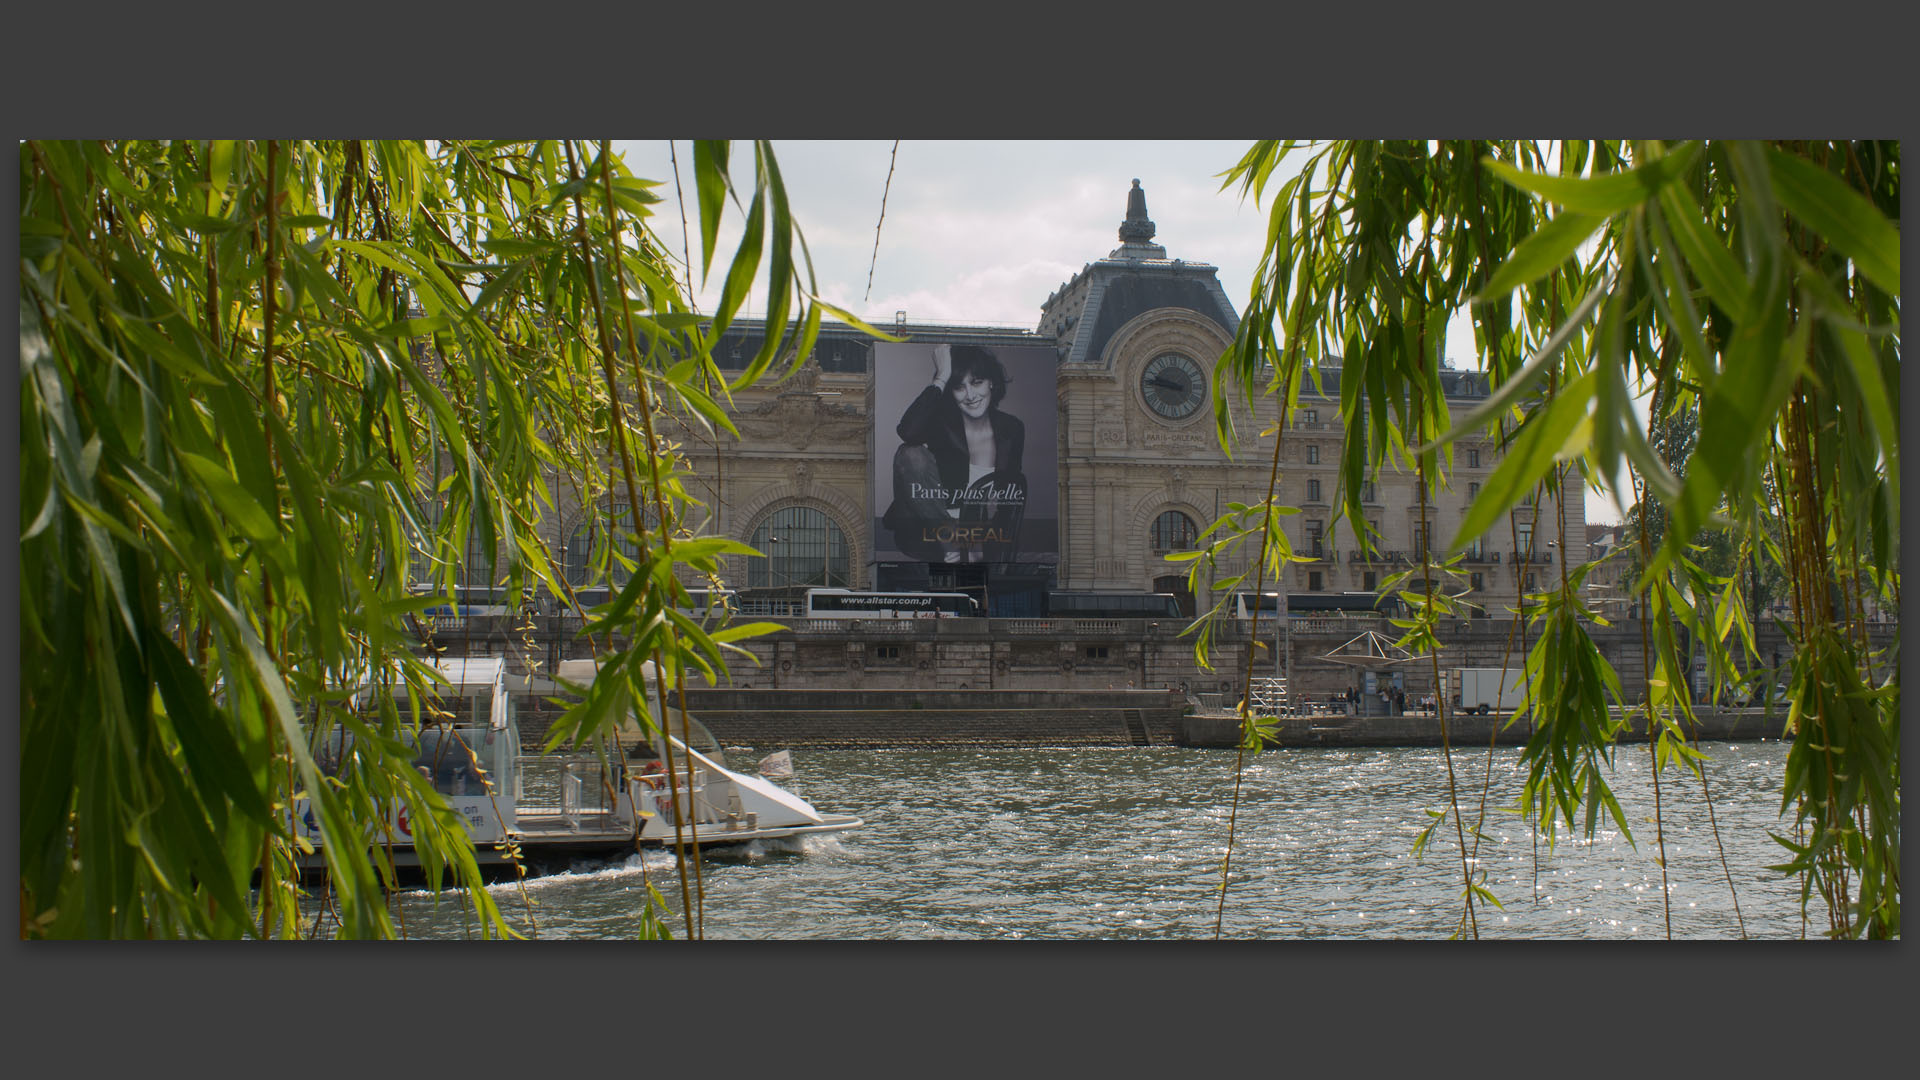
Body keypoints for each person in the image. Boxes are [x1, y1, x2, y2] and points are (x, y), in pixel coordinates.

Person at [882, 344, 1027, 562]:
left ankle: (963, 541)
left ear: (991, 383)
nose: (970, 395)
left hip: (979, 532)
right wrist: (941, 378)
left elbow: (1012, 488)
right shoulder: (942, 424)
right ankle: (948, 536)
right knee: (909, 453)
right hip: (927, 531)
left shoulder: (1012, 428)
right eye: (959, 387)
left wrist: (989, 538)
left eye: (977, 383)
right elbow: (907, 431)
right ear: (951, 392)